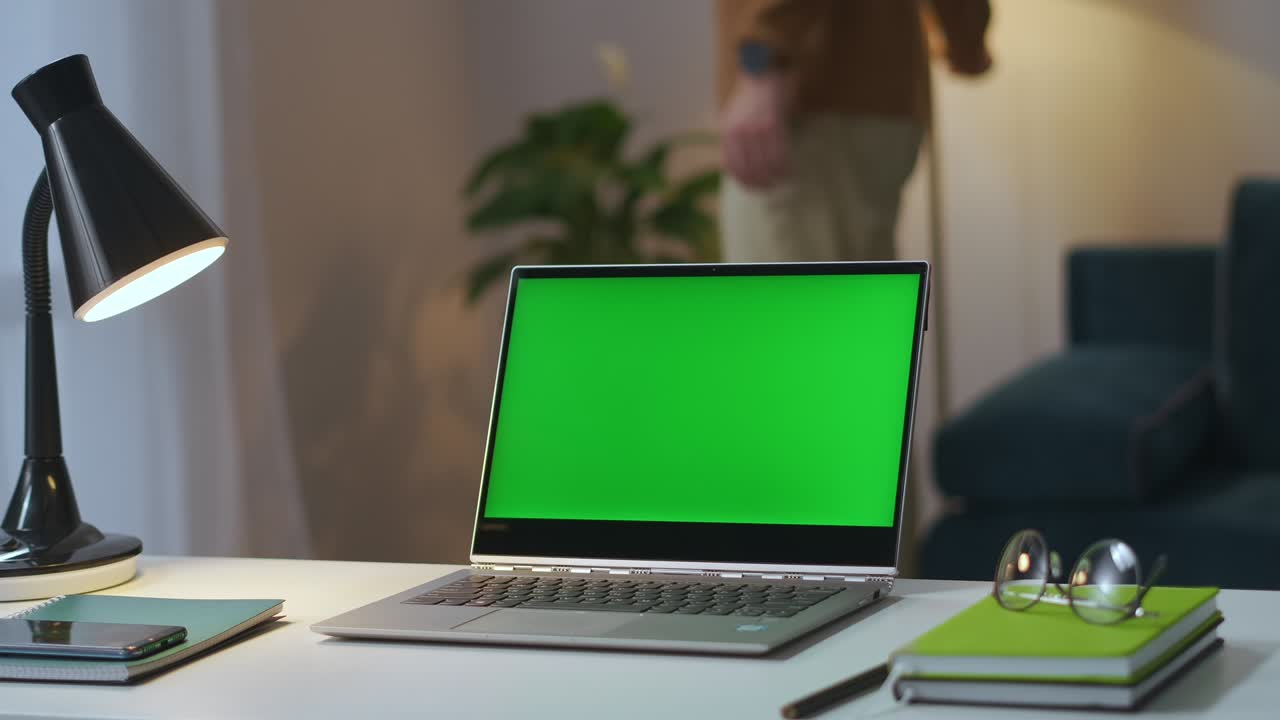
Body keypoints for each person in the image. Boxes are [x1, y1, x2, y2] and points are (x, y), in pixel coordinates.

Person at [717, 0, 992, 263]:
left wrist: (764, 56)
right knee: (852, 301)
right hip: (880, 97)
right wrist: (966, 33)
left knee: (786, 304)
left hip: (813, 96)